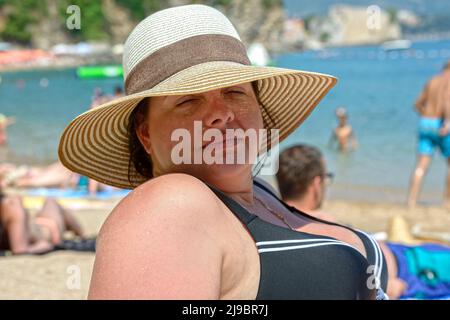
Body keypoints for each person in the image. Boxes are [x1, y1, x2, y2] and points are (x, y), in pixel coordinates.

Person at [58, 5, 387, 299]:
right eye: (187, 100)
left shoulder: (256, 194)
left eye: (234, 91)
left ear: (258, 106)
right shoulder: (168, 207)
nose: (221, 113)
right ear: (145, 133)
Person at [275, 144, 450, 299]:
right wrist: (387, 287)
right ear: (316, 183)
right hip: (410, 272)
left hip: (397, 254)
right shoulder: (316, 226)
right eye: (326, 177)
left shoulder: (276, 218)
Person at [408, 61, 450, 208]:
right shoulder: (448, 81)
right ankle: (447, 202)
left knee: (421, 165)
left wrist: (426, 116)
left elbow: (417, 104)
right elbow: (447, 100)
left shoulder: (432, 80)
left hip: (425, 122)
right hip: (441, 123)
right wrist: (448, 122)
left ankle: (412, 201)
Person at [0, 188, 85, 254]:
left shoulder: (11, 206)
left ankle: (80, 233)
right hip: (45, 228)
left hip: (48, 228)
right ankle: (80, 232)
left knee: (51, 202)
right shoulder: (11, 206)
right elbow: (20, 250)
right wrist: (43, 245)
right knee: (50, 203)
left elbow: (20, 250)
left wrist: (43, 245)